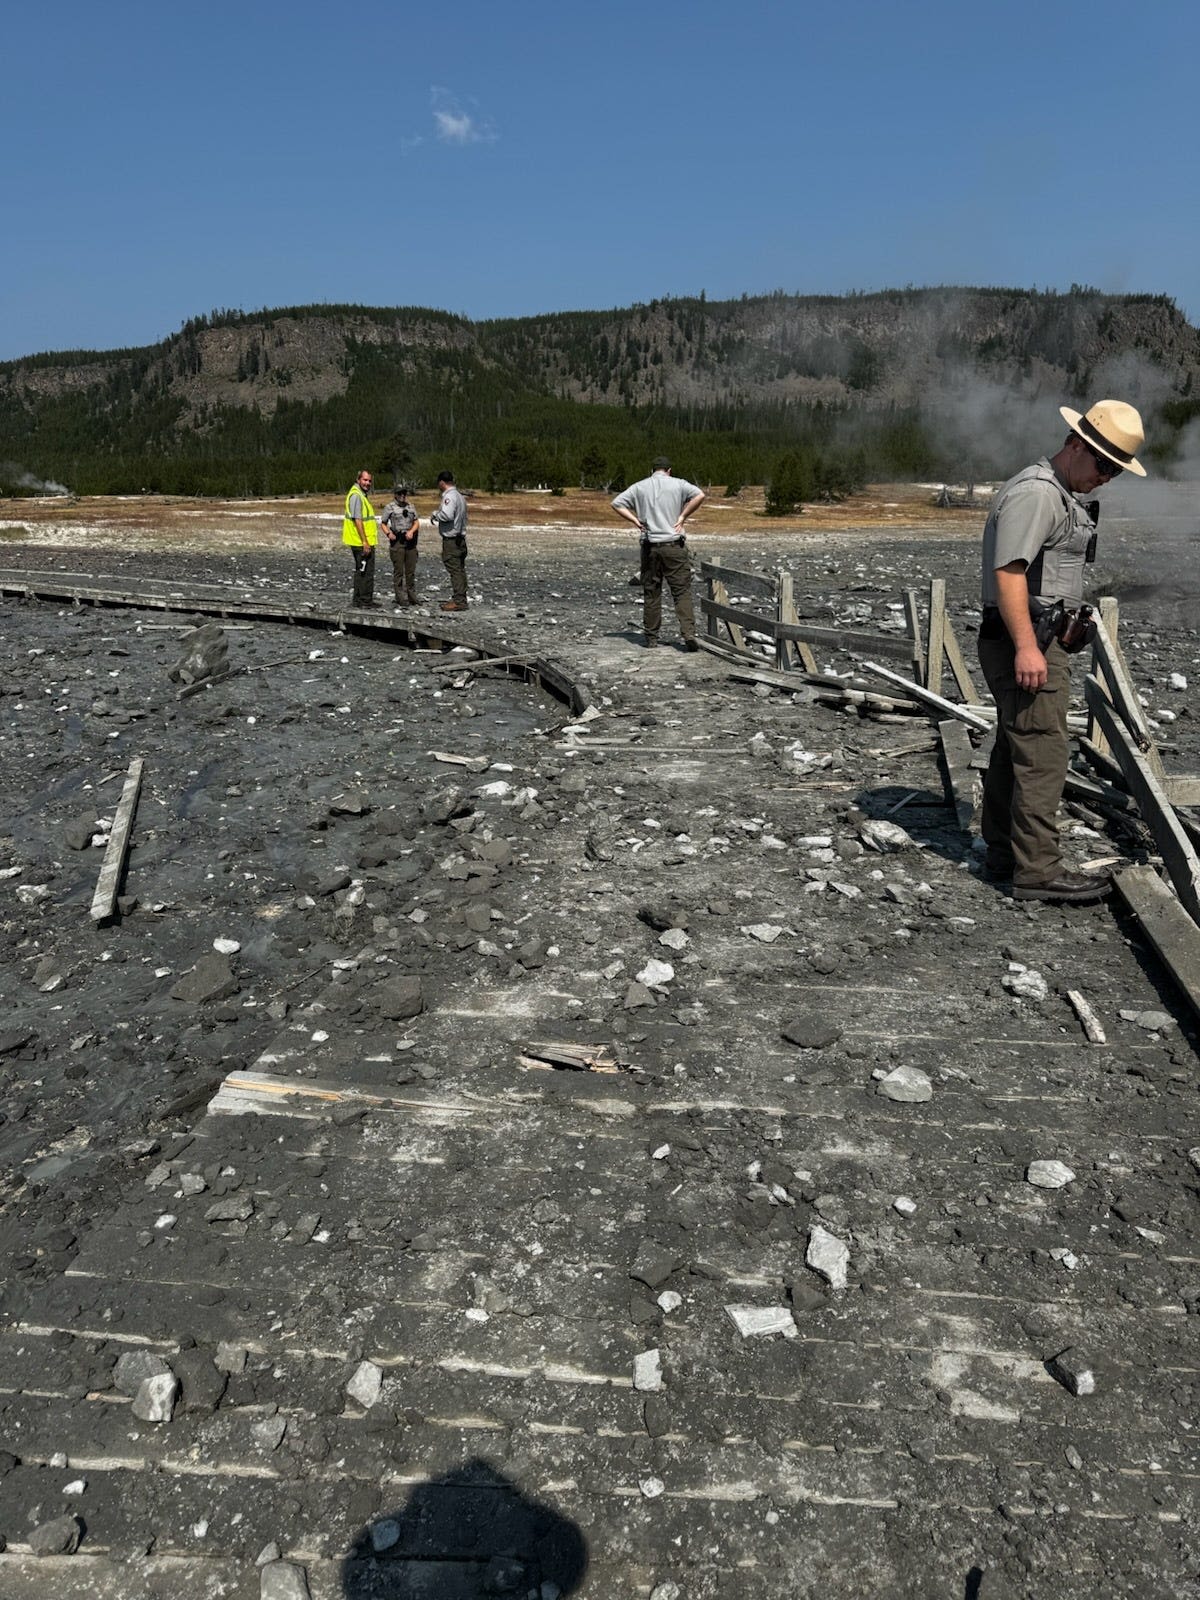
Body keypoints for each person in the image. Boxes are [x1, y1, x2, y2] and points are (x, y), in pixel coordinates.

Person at [977, 398, 1146, 903]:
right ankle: (1038, 872)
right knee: (1044, 751)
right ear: (1075, 445)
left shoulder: (1056, 493)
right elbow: (1008, 573)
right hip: (1026, 640)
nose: (1107, 477)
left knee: (1017, 745)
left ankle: (1005, 855)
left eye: (1116, 470)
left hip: (1032, 636)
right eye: (1103, 464)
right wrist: (1028, 647)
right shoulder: (1038, 494)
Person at [611, 455, 706, 650]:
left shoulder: (639, 486)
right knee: (681, 592)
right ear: (669, 470)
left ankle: (652, 638)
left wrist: (636, 521)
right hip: (674, 544)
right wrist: (683, 516)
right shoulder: (679, 484)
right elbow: (700, 495)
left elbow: (617, 503)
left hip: (650, 545)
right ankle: (688, 633)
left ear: (652, 470)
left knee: (652, 592)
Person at [429, 470, 469, 611]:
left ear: (442, 482)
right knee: (460, 569)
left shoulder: (449, 497)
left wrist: (435, 515)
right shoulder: (460, 496)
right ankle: (461, 597)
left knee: (455, 570)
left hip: (452, 540)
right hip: (460, 538)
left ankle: (459, 601)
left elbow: (447, 515)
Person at [342, 468, 379, 608]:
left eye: (369, 481)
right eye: (365, 480)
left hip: (359, 541)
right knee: (366, 572)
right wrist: (365, 542)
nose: (367, 483)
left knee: (361, 570)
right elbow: (358, 520)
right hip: (361, 542)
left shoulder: (359, 494)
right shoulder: (357, 496)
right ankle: (365, 600)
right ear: (358, 480)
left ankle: (358, 600)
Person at [379, 485, 420, 608]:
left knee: (410, 571)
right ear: (395, 494)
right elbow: (383, 523)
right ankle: (400, 597)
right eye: (400, 493)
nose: (403, 495)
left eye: (404, 493)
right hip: (398, 541)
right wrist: (388, 533)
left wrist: (412, 531)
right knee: (398, 571)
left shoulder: (411, 507)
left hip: (411, 542)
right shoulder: (389, 507)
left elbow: (416, 522)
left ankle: (412, 596)